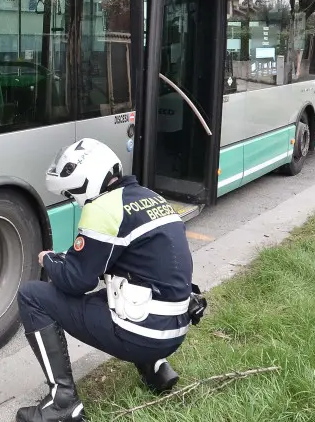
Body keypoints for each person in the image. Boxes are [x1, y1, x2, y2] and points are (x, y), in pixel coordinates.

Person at [15, 138, 207, 422]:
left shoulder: (104, 208)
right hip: (176, 328)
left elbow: (76, 281)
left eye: (72, 193)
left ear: (87, 181)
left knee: (32, 295)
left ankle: (63, 402)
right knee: (121, 287)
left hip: (145, 335)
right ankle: (156, 369)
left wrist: (49, 260)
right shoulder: (150, 197)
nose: (74, 200)